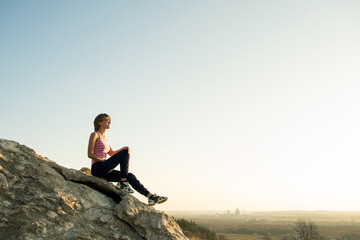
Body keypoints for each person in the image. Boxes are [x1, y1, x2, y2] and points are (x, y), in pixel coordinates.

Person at [88, 113, 167, 206]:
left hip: (106, 171)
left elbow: (112, 153)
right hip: (98, 168)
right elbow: (90, 154)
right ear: (100, 122)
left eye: (110, 120)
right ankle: (123, 182)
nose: (109, 122)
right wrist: (102, 161)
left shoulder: (105, 139)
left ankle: (151, 197)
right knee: (125, 155)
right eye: (107, 120)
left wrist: (123, 148)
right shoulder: (94, 135)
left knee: (130, 175)